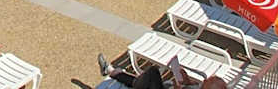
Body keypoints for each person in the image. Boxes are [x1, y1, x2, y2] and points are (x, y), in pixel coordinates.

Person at [97, 53, 228, 89]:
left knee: (153, 73)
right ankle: (110, 71)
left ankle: (111, 71)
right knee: (147, 80)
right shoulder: (204, 86)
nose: (205, 79)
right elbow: (192, 85)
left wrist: (177, 86)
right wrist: (186, 79)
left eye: (208, 81)